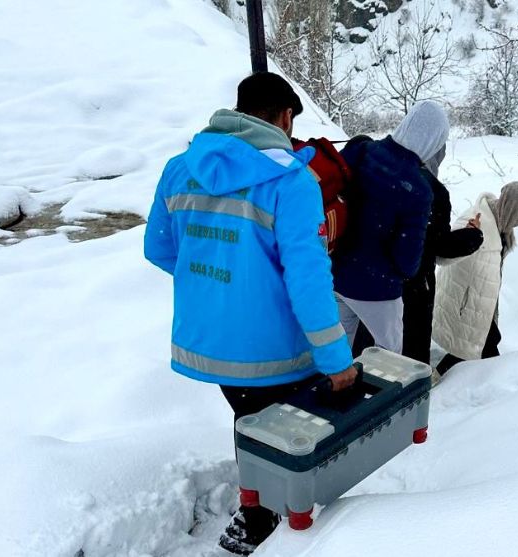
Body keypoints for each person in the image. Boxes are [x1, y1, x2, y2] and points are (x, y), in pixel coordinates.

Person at [143, 72, 358, 556]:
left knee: (249, 418)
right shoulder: (292, 181)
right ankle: (278, 521)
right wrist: (336, 360)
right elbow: (308, 281)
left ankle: (256, 508)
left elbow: (158, 249)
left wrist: (220, 282)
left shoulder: (181, 167)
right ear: (285, 118)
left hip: (208, 344)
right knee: (288, 434)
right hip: (274, 351)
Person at [330, 100, 449, 355]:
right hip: (379, 291)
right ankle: (377, 395)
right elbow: (407, 262)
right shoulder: (419, 190)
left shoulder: (362, 150)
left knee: (337, 353)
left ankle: (336, 391)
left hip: (336, 275)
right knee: (390, 360)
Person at [351, 145, 485, 364]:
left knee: (372, 346)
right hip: (413, 286)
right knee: (407, 358)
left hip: (371, 278)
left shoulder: (380, 168)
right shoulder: (432, 190)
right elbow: (437, 244)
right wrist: (473, 235)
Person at [432, 182, 518, 375]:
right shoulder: (475, 220)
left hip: (480, 301)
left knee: (475, 347)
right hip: (465, 303)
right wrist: (470, 235)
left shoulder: (500, 223)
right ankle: (446, 383)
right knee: (474, 348)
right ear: (513, 209)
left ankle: (442, 379)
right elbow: (445, 256)